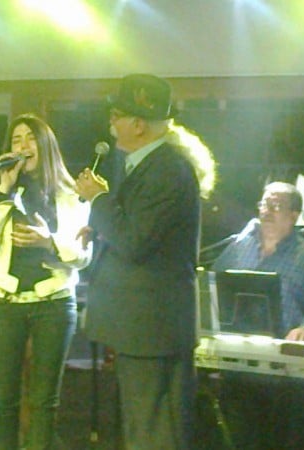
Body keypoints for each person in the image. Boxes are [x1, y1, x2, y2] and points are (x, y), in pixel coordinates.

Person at [76, 74, 216, 450]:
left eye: (116, 116)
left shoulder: (168, 170)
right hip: (142, 328)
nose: (111, 123)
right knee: (142, 428)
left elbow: (134, 242)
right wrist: (99, 230)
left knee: (155, 432)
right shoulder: (147, 165)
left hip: (154, 329)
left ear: (138, 124)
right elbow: (141, 231)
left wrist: (97, 199)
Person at [0, 113, 92, 450]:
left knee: (43, 400)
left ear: (45, 144)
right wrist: (4, 192)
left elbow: (83, 256)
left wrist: (48, 242)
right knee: (4, 398)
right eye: (16, 140)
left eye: (30, 138)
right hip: (5, 303)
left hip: (53, 303)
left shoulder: (71, 193)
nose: (23, 146)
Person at [212, 181, 304, 449]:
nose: (266, 211)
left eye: (276, 205)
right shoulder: (239, 246)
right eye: (264, 204)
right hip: (237, 364)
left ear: (294, 215)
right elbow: (213, 285)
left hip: (286, 372)